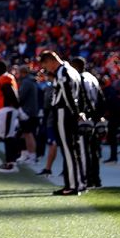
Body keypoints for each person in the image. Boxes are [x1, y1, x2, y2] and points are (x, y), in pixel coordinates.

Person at [39, 50, 86, 196]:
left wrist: (76, 112)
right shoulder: (72, 70)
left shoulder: (62, 72)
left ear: (51, 60)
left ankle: (72, 185)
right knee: (73, 149)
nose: (47, 69)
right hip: (70, 113)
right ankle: (77, 183)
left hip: (64, 113)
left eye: (46, 65)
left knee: (68, 149)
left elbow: (67, 95)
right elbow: (81, 94)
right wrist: (80, 111)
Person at [70, 57, 103, 189]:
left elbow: (83, 99)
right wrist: (99, 116)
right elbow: (101, 97)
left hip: (86, 117)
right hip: (94, 117)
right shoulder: (92, 78)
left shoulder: (81, 78)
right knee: (94, 150)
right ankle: (96, 179)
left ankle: (87, 179)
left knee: (84, 150)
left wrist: (83, 114)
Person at [0, 61, 21, 174]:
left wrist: (18, 108)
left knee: (9, 136)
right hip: (4, 110)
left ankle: (11, 163)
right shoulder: (2, 78)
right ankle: (10, 161)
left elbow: (11, 94)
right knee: (7, 136)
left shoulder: (5, 78)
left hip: (7, 110)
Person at [17, 65, 40, 164]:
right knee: (24, 134)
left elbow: (21, 97)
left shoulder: (26, 82)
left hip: (28, 112)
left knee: (28, 134)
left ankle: (32, 156)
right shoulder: (31, 81)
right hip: (31, 111)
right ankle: (25, 154)